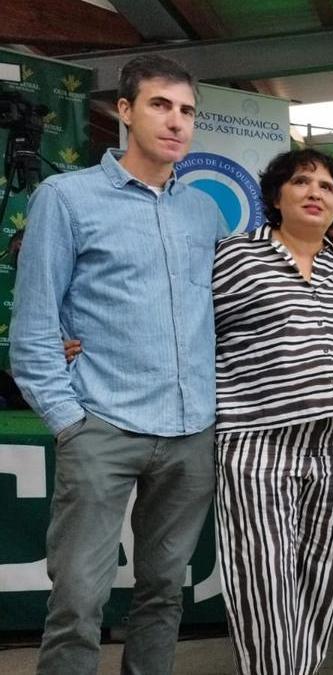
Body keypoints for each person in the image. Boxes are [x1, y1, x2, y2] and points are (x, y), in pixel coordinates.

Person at [10, 55, 224, 675]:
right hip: (102, 426)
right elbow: (34, 327)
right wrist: (70, 422)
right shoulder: (66, 198)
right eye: (161, 105)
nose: (177, 122)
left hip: (190, 434)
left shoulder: (202, 212)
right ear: (125, 111)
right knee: (78, 599)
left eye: (187, 111)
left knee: (162, 597)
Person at [210, 148, 333, 675]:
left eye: (327, 186)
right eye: (302, 182)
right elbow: (188, 328)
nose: (315, 192)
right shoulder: (233, 256)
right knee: (264, 577)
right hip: (257, 440)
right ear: (276, 197)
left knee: (322, 575)